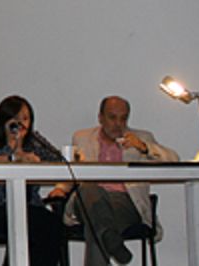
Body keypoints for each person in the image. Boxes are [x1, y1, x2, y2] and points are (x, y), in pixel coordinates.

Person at [49, 95, 179, 266]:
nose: (118, 124)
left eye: (123, 118)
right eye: (112, 117)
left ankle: (110, 237)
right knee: (89, 189)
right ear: (100, 117)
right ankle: (112, 240)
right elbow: (72, 170)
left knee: (97, 228)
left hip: (124, 202)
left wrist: (144, 147)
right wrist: (61, 189)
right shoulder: (82, 138)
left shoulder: (141, 138)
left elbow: (174, 160)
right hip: (87, 199)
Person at [0, 95, 62, 266]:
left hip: (29, 206)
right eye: (16, 119)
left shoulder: (34, 141)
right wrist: (14, 151)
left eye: (26, 119)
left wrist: (34, 158)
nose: (21, 125)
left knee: (51, 224)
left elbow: (56, 160)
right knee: (38, 224)